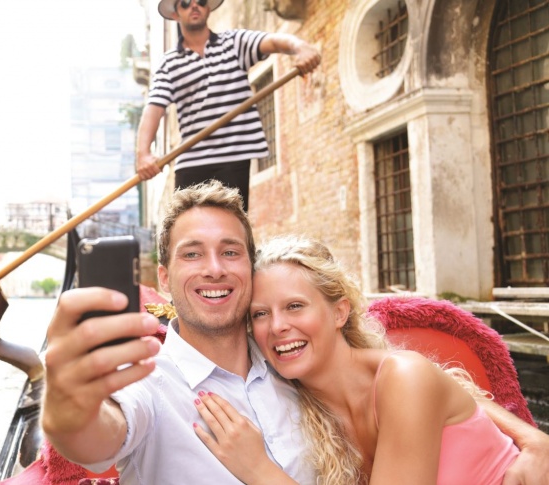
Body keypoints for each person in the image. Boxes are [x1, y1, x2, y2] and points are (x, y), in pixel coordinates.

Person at [41, 180, 549, 484]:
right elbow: (95, 436)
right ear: (164, 277)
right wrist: (68, 405)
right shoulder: (146, 381)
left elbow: (420, 383)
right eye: (192, 253)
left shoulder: (291, 369)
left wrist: (533, 440)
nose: (214, 268)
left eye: (231, 252)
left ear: (340, 313)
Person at [193, 235, 546, 484]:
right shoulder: (298, 409)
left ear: (339, 312)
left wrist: (258, 471)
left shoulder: (403, 376)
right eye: (259, 315)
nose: (278, 326)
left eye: (295, 306)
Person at [135, 0, 321, 212]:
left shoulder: (234, 42)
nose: (194, 6)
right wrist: (143, 154)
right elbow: (154, 108)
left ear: (208, 8)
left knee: (231, 228)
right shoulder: (169, 63)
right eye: (185, 3)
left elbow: (276, 41)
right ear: (176, 14)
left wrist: (302, 48)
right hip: (191, 160)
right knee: (186, 228)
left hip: (234, 157)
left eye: (201, 1)